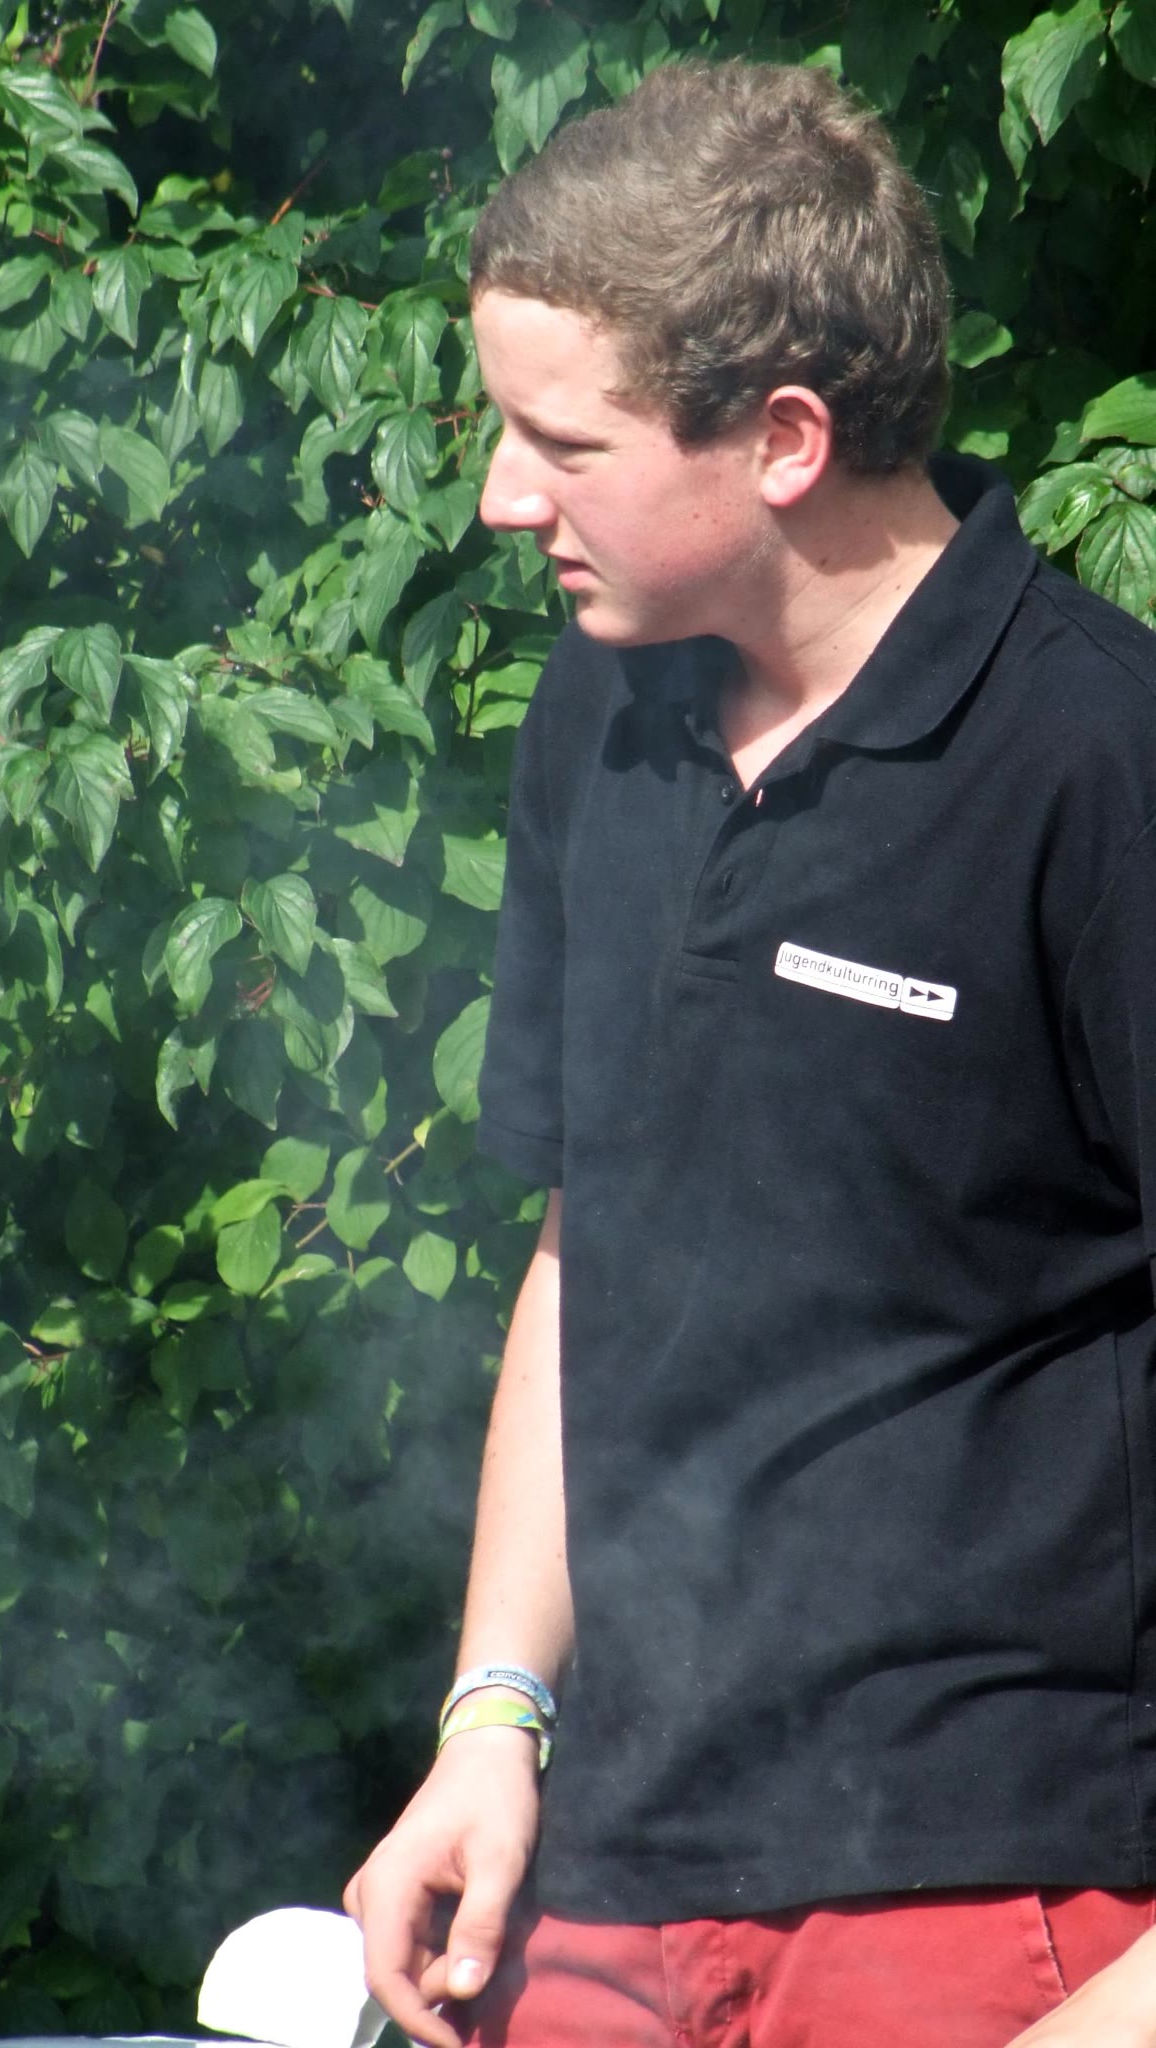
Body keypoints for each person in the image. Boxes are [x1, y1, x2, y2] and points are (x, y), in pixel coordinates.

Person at [344, 56, 1156, 2048]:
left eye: (564, 442)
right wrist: (490, 1720)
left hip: (1001, 1889)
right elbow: (586, 1246)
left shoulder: (1096, 760)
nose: (499, 497)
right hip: (607, 1875)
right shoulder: (599, 717)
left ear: (785, 437)